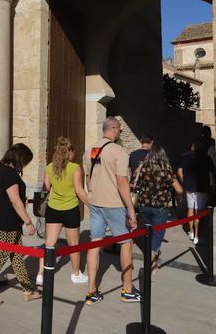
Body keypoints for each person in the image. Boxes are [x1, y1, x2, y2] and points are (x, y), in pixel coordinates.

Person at [83, 117, 140, 304]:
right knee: (126, 242)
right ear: (114, 129)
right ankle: (128, 289)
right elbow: (122, 182)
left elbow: (88, 179)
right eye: (120, 130)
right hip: (114, 204)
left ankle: (92, 291)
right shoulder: (119, 151)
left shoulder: (90, 150)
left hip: (95, 202)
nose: (120, 133)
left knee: (95, 243)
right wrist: (131, 211)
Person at [0, 143, 42, 305]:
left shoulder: (2, 170)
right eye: (26, 162)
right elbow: (15, 201)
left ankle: (28, 289)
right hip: (8, 221)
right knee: (1, 255)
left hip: (7, 220)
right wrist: (28, 222)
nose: (26, 165)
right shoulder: (9, 175)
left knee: (17, 256)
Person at [35, 137, 88, 286]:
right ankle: (76, 274)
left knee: (49, 243)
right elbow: (79, 191)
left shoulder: (50, 167)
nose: (75, 154)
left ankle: (41, 274)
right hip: (70, 209)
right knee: (74, 244)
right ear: (68, 152)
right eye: (73, 151)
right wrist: (93, 204)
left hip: (53, 209)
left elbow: (45, 189)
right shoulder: (75, 168)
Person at [135, 144, 184, 267]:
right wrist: (178, 197)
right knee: (158, 234)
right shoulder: (166, 170)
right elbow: (179, 190)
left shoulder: (144, 168)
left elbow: (137, 184)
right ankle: (149, 262)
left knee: (149, 231)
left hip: (144, 205)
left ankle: (152, 255)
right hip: (160, 207)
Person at [177, 140, 216, 244]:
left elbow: (179, 171)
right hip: (202, 187)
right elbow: (213, 172)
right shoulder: (206, 158)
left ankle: (191, 231)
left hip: (189, 186)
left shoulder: (185, 156)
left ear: (192, 147)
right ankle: (197, 236)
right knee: (199, 211)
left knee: (190, 209)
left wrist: (184, 181)